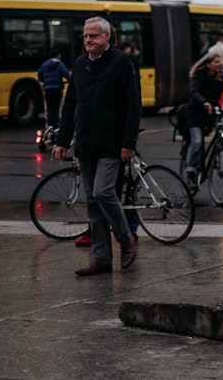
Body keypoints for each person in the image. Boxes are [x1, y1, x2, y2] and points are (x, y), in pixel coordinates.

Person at [53, 17, 142, 277]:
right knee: (92, 201)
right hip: (86, 142)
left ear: (107, 38)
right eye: (85, 36)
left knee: (103, 192)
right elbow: (70, 105)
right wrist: (62, 141)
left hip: (112, 142)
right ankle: (101, 258)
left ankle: (125, 239)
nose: (88, 40)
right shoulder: (80, 65)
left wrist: (129, 142)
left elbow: (133, 105)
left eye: (94, 36)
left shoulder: (122, 63)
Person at [185, 53, 223, 189]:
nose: (219, 64)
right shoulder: (198, 76)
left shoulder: (222, 76)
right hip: (196, 113)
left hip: (213, 112)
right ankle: (190, 171)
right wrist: (204, 102)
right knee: (197, 142)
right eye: (216, 62)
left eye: (219, 62)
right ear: (208, 64)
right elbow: (194, 92)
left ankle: (218, 151)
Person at [37, 49, 70, 127]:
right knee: (57, 107)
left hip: (47, 89)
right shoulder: (60, 64)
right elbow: (67, 75)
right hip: (57, 88)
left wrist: (45, 81)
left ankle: (49, 124)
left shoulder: (44, 65)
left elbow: (40, 76)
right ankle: (56, 124)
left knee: (49, 107)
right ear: (57, 55)